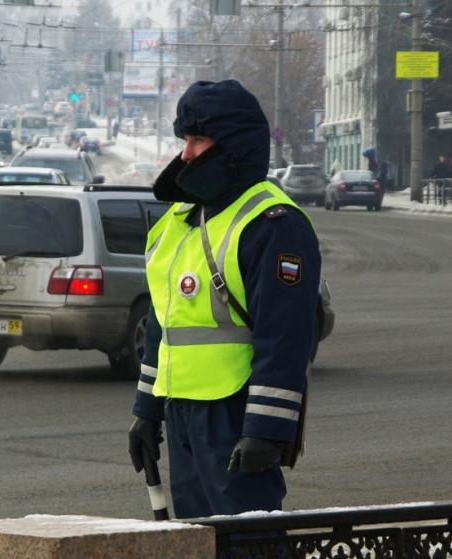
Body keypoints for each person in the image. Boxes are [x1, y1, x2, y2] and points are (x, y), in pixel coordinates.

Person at [127, 80, 321, 519]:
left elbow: (285, 336)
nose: (187, 153)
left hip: (235, 414)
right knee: (195, 540)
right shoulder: (179, 218)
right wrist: (147, 410)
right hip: (182, 412)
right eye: (184, 140)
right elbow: (166, 322)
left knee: (248, 542)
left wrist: (266, 430)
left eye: (198, 139)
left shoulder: (273, 222)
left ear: (231, 146)